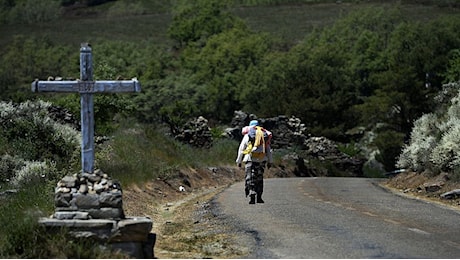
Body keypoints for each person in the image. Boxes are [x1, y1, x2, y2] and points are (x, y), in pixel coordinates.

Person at [235, 120, 273, 204]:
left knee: (250, 177)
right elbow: (268, 150)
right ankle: (259, 197)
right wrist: (270, 161)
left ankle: (252, 195)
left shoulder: (247, 135)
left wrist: (239, 161)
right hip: (262, 160)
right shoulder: (263, 135)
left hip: (250, 159)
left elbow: (241, 149)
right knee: (259, 177)